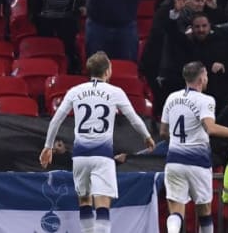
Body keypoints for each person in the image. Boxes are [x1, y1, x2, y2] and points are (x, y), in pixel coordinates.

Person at [39, 51, 155, 233]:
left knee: (84, 201)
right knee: (102, 204)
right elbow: (134, 118)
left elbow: (56, 120)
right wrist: (147, 136)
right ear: (108, 71)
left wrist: (48, 146)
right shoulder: (115, 92)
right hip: (102, 155)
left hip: (80, 155)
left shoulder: (75, 91)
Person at [161, 61, 228, 233]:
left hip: (174, 160)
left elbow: (163, 132)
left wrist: (178, 142)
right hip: (198, 162)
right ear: (202, 77)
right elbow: (210, 128)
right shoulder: (206, 100)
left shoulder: (171, 98)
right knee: (204, 211)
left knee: (175, 211)